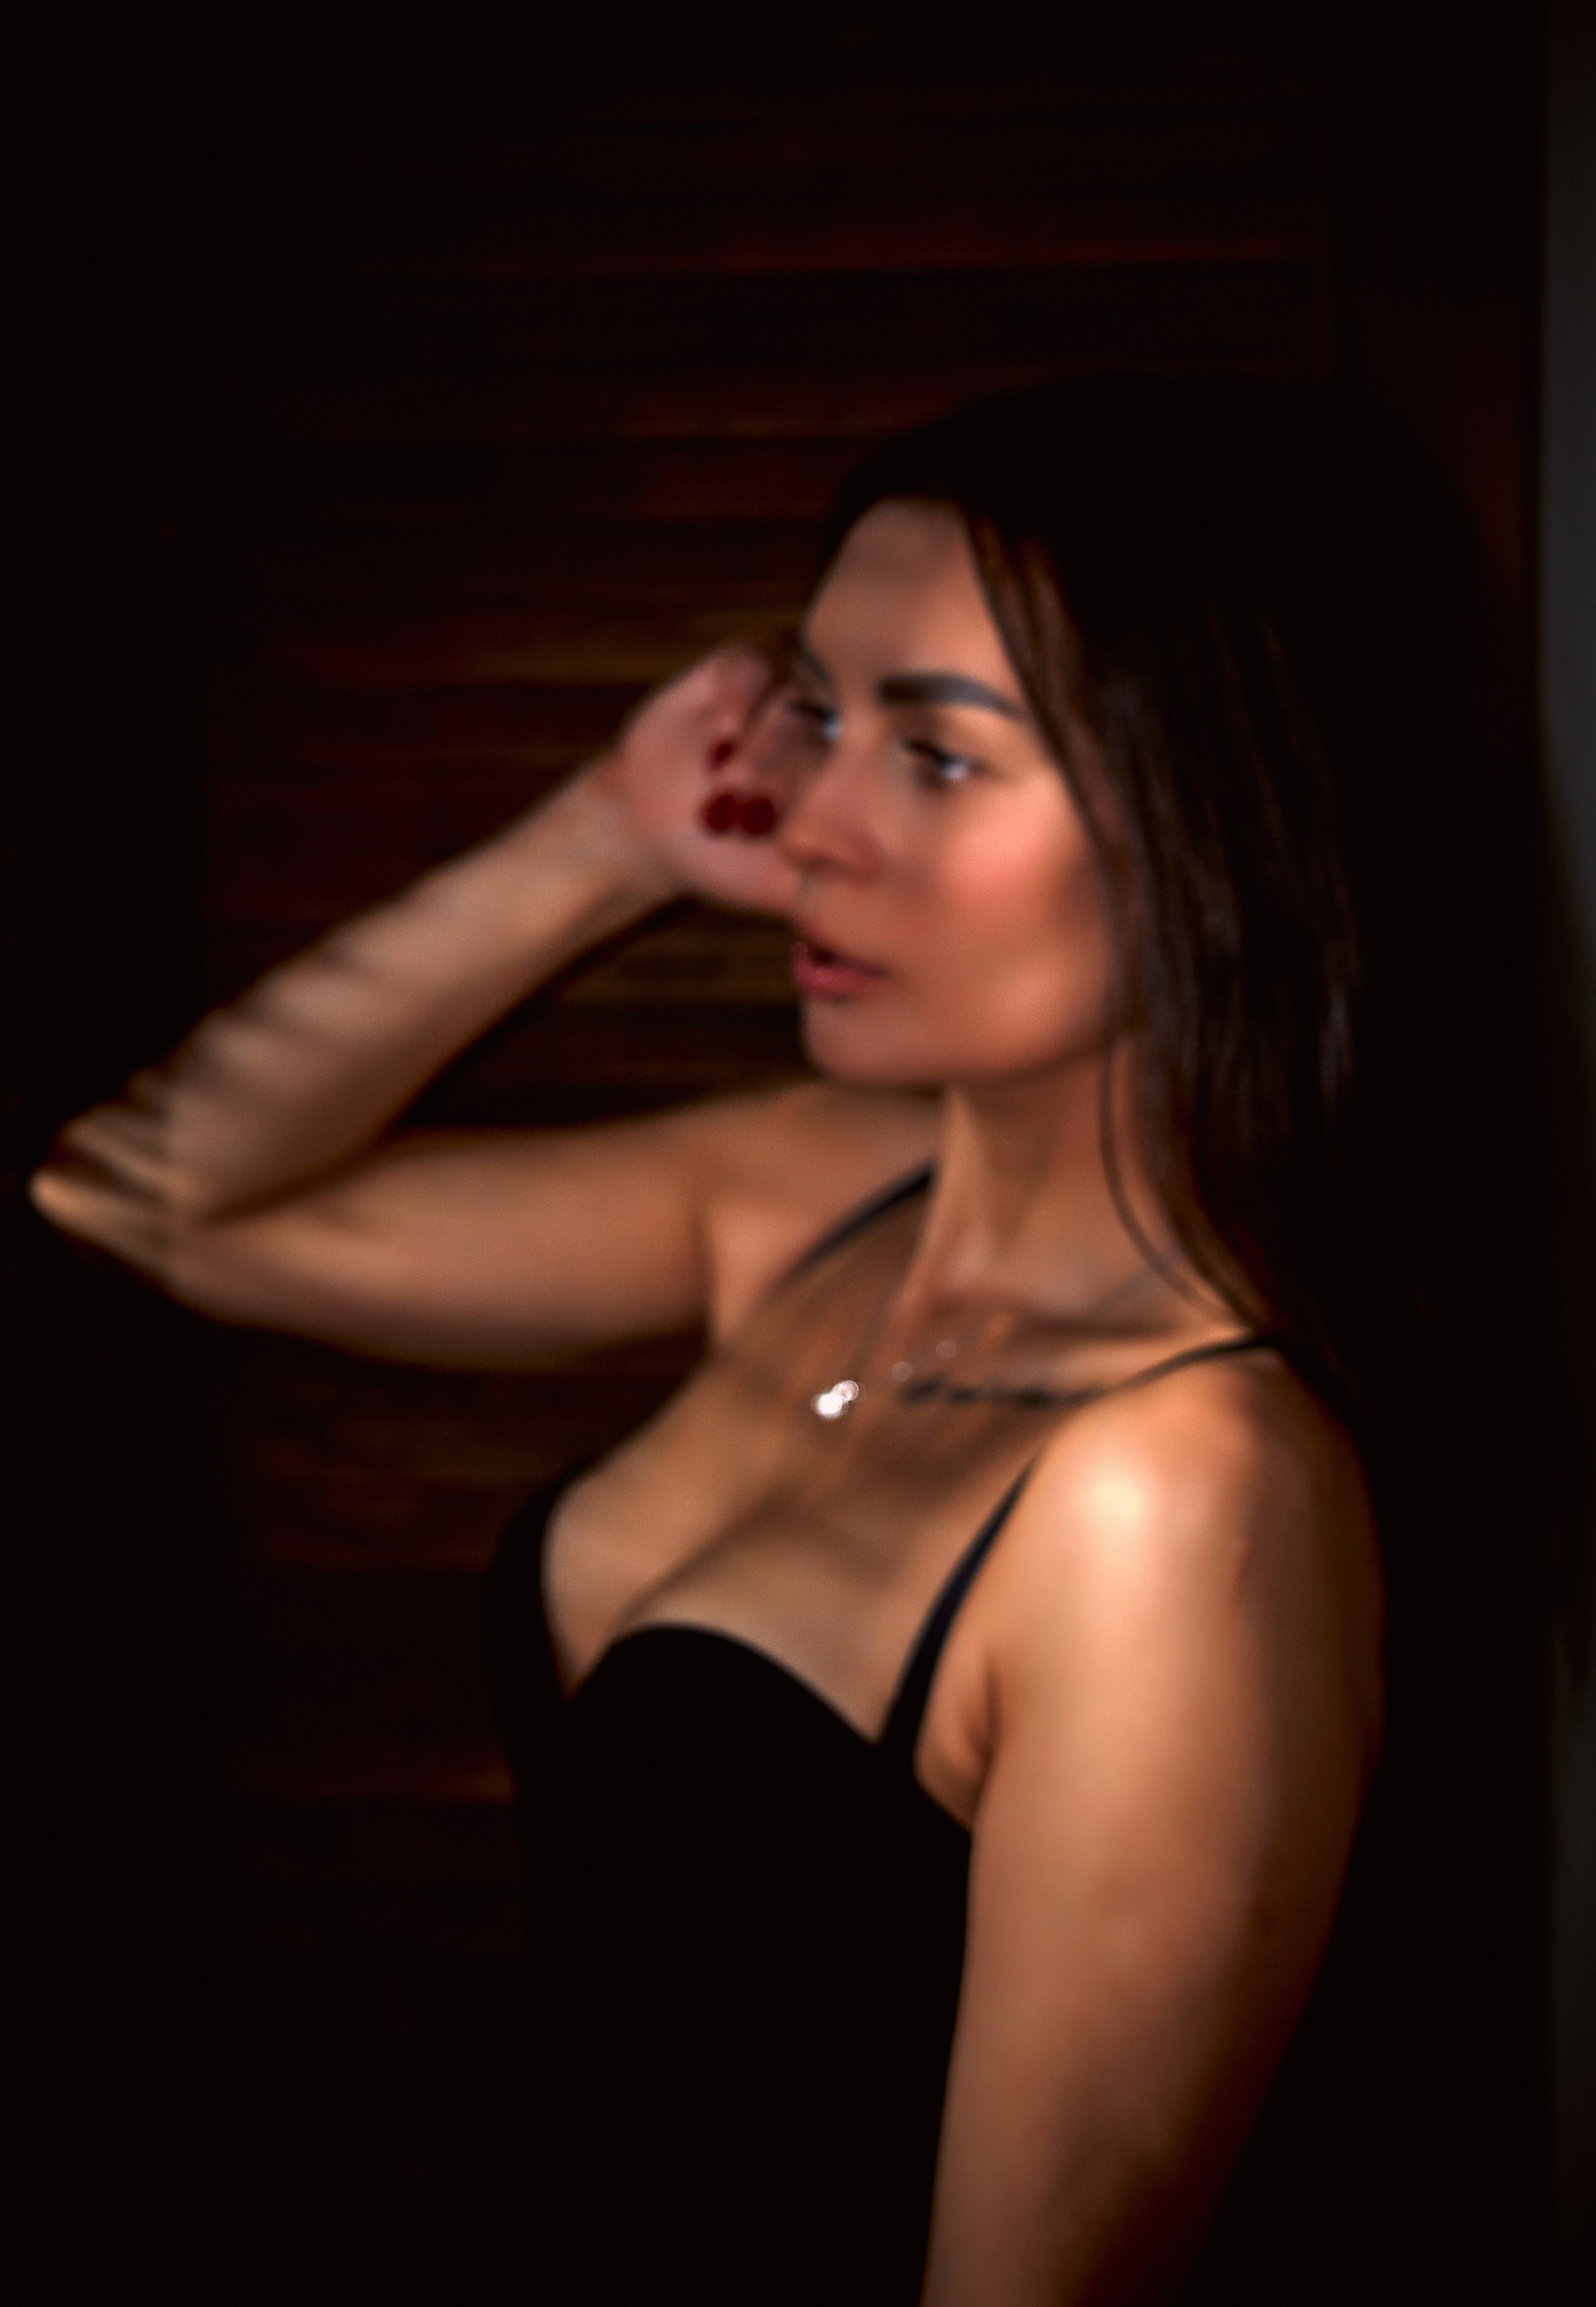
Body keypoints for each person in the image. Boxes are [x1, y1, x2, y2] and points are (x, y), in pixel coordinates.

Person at [28, 378, 1538, 2303]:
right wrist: (607, 838)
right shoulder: (821, 1194)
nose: (809, 823)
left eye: (941, 754)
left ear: (1219, 822)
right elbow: (147, 1199)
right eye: (819, 715)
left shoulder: (1179, 1496)